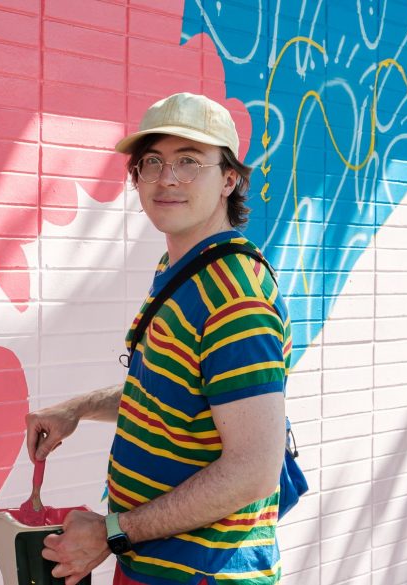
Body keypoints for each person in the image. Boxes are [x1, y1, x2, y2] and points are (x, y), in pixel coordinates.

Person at [26, 92, 292, 585]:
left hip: (204, 573)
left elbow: (254, 468)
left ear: (229, 179)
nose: (167, 178)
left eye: (189, 162)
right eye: (153, 162)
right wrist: (78, 408)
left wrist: (112, 532)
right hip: (153, 564)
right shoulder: (182, 269)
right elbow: (170, 390)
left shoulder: (235, 297)